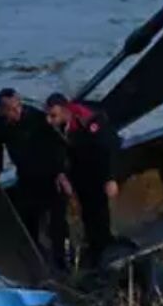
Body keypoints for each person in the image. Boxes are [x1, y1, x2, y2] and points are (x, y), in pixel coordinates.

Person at [0, 88, 70, 270]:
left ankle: (62, 260)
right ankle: (34, 254)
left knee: (58, 218)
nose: (17, 112)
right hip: (25, 173)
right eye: (11, 109)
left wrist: (61, 172)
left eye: (19, 106)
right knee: (27, 214)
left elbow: (59, 145)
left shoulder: (37, 118)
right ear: (1, 110)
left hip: (49, 172)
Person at [45, 93, 120, 268]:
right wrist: (63, 174)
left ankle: (104, 244)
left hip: (97, 166)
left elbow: (109, 148)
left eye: (53, 116)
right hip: (79, 167)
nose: (49, 120)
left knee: (98, 208)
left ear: (65, 111)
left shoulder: (89, 121)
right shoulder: (58, 126)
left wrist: (111, 178)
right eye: (48, 115)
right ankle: (94, 244)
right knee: (86, 209)